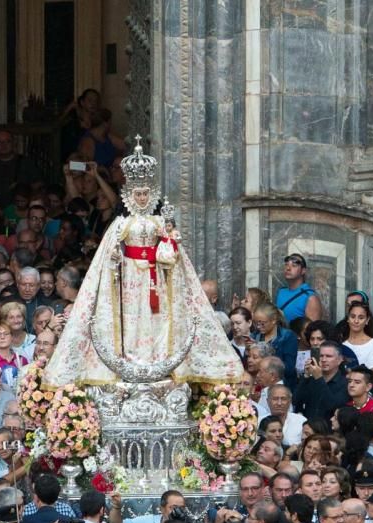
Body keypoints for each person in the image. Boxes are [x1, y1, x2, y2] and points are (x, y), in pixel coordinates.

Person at [44, 138, 242, 386]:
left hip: (156, 278)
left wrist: (167, 247)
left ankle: (158, 359)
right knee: (131, 318)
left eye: (145, 194)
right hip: (129, 279)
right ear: (129, 194)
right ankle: (129, 359)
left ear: (152, 195)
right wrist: (116, 257)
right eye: (136, 193)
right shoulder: (121, 223)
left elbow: (173, 253)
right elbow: (108, 254)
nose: (140, 198)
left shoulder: (161, 223)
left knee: (156, 317)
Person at [294, 340, 349, 422]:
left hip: (329, 431)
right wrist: (306, 376)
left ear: (340, 360)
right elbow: (295, 400)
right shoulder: (311, 379)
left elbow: (331, 406)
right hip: (308, 430)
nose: (323, 359)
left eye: (328, 356)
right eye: (321, 356)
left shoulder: (345, 383)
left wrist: (319, 378)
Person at [274, 254, 322, 322]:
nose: (288, 268)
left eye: (294, 265)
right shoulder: (281, 291)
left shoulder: (310, 298)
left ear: (303, 271)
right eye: (286, 264)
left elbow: (313, 330)